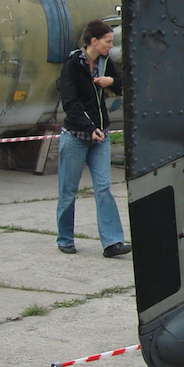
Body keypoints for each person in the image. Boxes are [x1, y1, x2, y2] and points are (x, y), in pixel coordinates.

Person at [56, 20, 131, 258]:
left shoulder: (105, 63)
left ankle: (112, 242)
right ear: (93, 41)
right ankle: (65, 237)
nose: (111, 45)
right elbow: (70, 104)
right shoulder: (72, 65)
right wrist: (89, 129)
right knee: (68, 191)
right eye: (107, 41)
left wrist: (113, 81)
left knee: (104, 188)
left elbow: (121, 86)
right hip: (76, 137)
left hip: (101, 136)